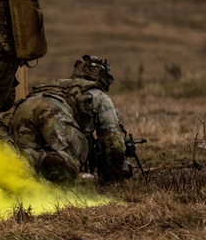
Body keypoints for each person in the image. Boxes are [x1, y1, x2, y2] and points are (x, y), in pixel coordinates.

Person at [9, 55, 131, 183]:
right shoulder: (97, 95)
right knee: (67, 165)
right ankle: (19, 158)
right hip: (52, 109)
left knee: (30, 174)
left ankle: (5, 161)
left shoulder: (60, 85)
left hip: (24, 107)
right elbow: (114, 142)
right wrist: (119, 174)